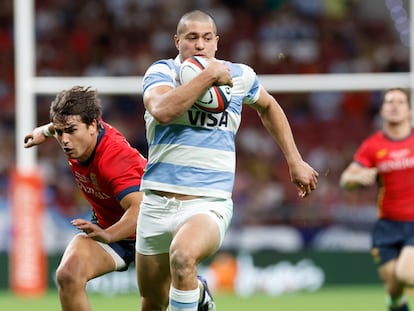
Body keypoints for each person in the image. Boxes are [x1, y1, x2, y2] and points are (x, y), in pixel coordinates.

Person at [136, 10, 319, 311]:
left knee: (183, 257)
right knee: (152, 301)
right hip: (156, 202)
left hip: (208, 202)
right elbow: (163, 110)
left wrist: (294, 160)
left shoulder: (240, 76)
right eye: (192, 37)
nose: (200, 44)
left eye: (207, 38)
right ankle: (198, 296)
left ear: (217, 42)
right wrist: (208, 76)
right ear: (177, 40)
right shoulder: (161, 72)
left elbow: (269, 106)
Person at [24, 86, 147, 311]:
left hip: (151, 231)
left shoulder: (113, 158)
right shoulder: (78, 137)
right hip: (110, 229)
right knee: (68, 275)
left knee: (155, 301)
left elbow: (140, 210)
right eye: (60, 133)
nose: (65, 141)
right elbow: (60, 126)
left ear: (93, 125)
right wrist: (44, 131)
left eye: (70, 131)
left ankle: (196, 291)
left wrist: (108, 235)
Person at [340, 88, 414, 311]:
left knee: (405, 273)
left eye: (400, 102)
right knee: (394, 289)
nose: (394, 105)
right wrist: (357, 178)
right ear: (381, 110)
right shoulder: (373, 146)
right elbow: (345, 179)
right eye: (389, 101)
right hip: (387, 226)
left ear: (409, 110)